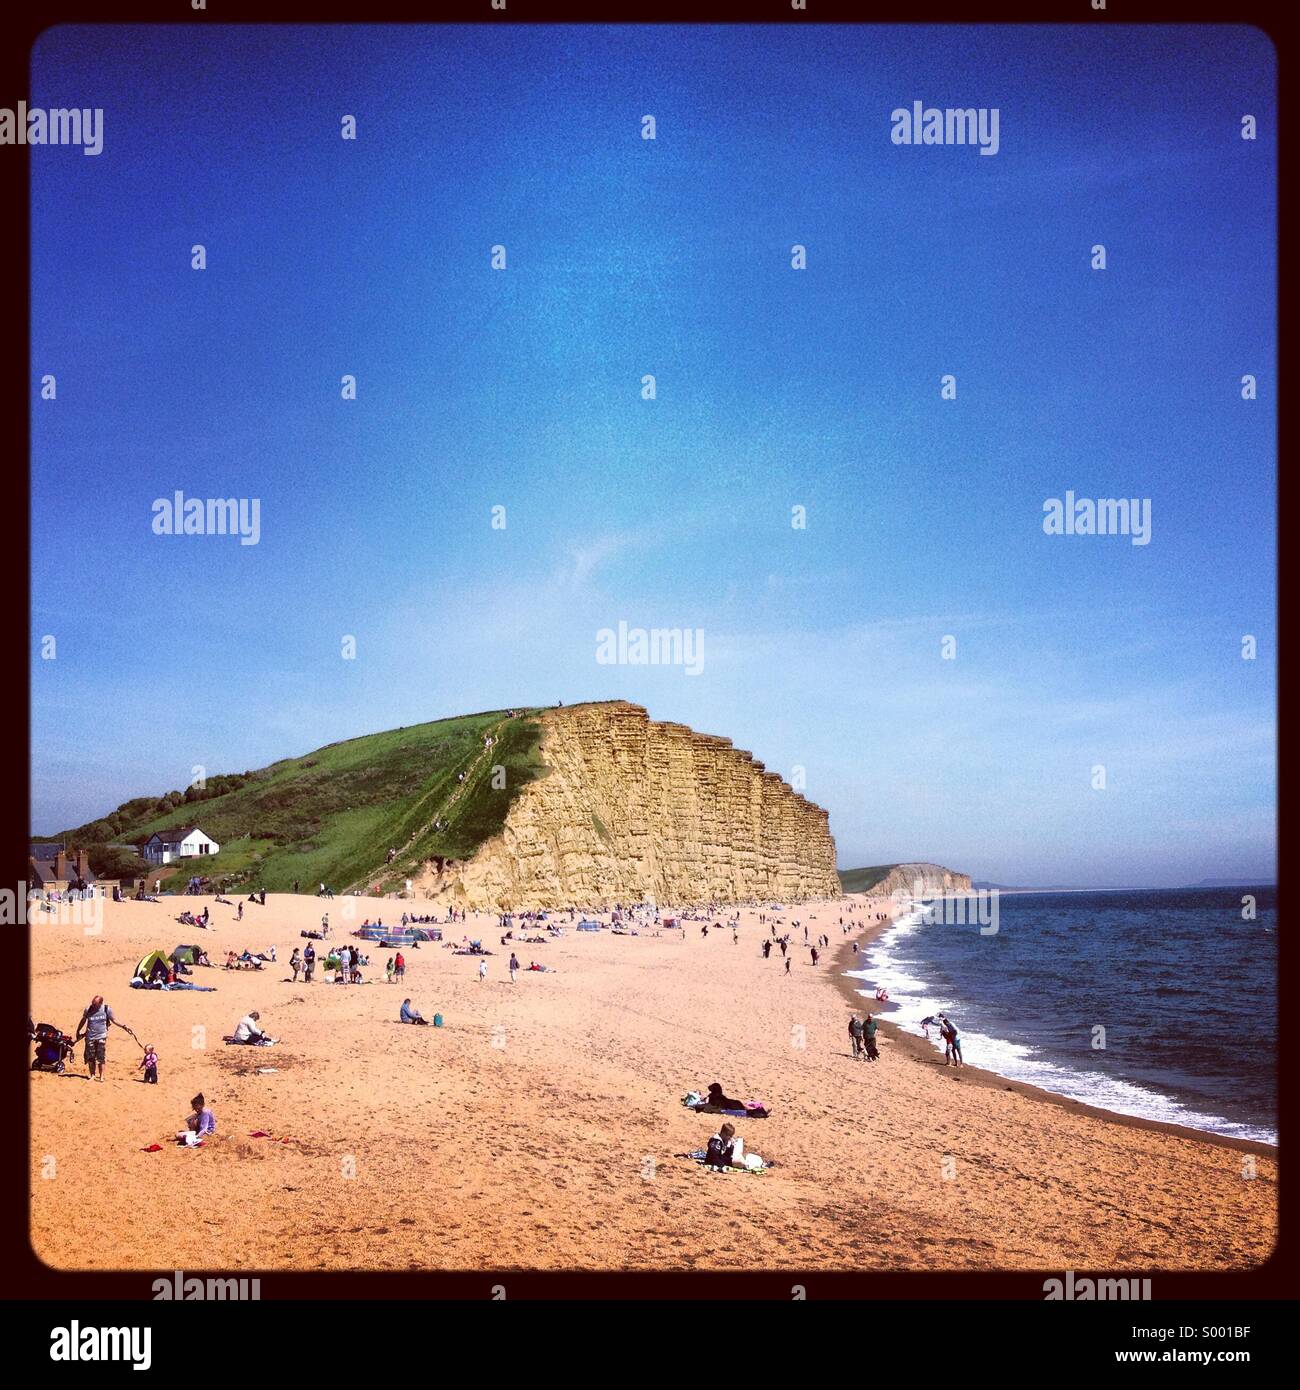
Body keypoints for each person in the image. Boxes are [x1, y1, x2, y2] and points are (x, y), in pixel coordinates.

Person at [75, 995, 125, 1081]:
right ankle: (92, 1075)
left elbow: (114, 1020)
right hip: (90, 1037)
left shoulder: (106, 1009)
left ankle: (101, 1076)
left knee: (101, 1057)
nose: (93, 1005)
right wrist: (78, 1030)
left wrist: (123, 1026)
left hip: (101, 1036)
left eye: (95, 1004)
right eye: (92, 1003)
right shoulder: (88, 1009)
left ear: (100, 1003)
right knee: (90, 1057)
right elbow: (83, 1020)